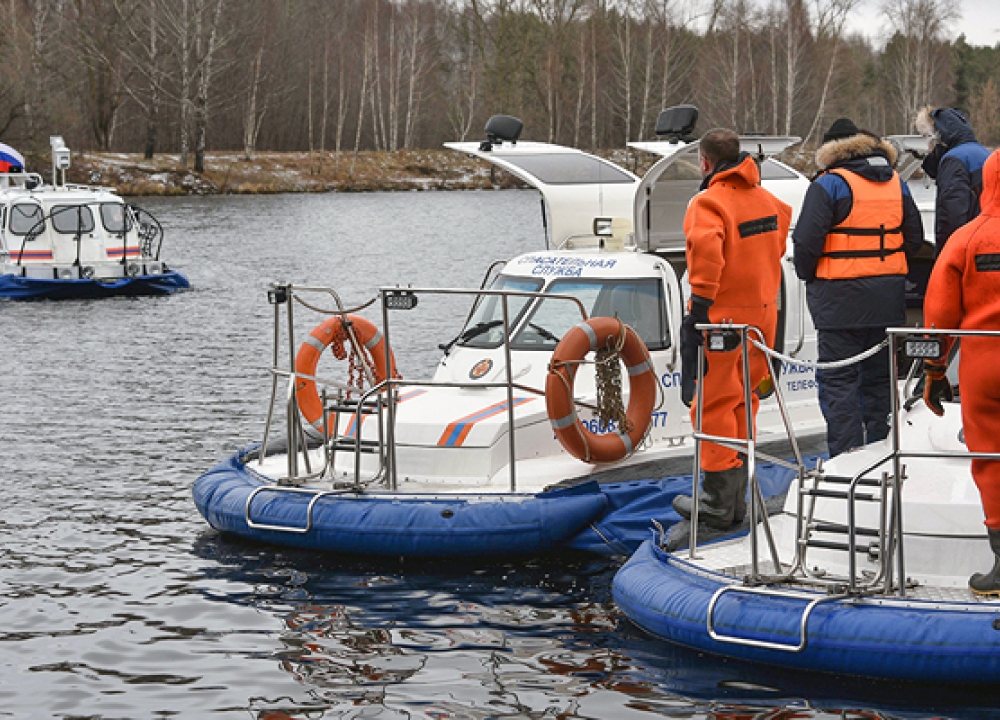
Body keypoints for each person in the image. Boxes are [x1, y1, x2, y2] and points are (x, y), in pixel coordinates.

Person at [672, 128, 791, 530]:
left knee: (713, 405)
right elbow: (778, 239)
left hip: (721, 319)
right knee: (745, 401)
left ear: (705, 163)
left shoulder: (708, 203)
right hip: (761, 319)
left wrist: (699, 308)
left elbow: (706, 250)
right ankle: (737, 500)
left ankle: (718, 502)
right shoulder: (770, 202)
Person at [792, 119, 924, 458]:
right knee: (880, 383)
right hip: (887, 301)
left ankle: (846, 463)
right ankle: (883, 458)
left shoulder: (829, 184)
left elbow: (806, 243)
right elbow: (913, 238)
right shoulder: (898, 183)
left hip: (839, 302)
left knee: (839, 384)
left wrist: (812, 276)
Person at [923, 149, 1000, 596]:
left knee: (991, 460)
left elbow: (939, 313)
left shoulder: (967, 239)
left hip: (985, 363)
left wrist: (935, 370)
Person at [915, 107, 990, 256]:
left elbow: (952, 214)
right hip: (988, 243)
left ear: (936, 138)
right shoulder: (985, 154)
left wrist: (945, 255)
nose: (928, 149)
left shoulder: (954, 160)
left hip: (967, 250)